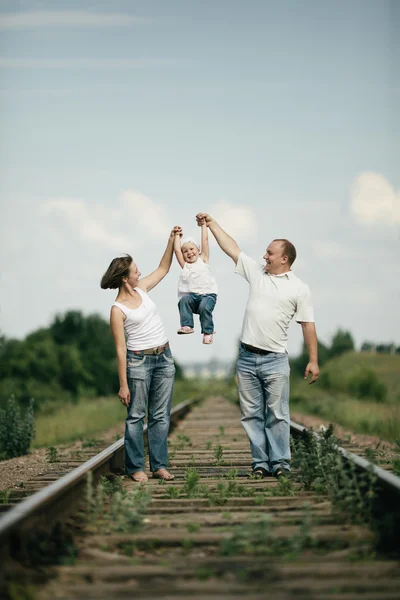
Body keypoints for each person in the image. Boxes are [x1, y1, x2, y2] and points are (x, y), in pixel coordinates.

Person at [196, 213, 319, 479]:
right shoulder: (257, 273)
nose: (265, 256)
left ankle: (281, 463)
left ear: (284, 258)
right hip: (247, 357)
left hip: (275, 359)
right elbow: (232, 249)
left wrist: (313, 360)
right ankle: (261, 463)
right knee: (251, 414)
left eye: (270, 252)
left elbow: (307, 325)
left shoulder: (299, 288)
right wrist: (212, 223)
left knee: (277, 413)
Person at [100, 225, 182, 483]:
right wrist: (123, 385)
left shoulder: (143, 289)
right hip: (138, 362)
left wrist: (171, 240)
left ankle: (159, 466)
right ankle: (135, 468)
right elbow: (120, 349)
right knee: (136, 417)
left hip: (164, 358)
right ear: (125, 277)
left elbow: (163, 268)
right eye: (136, 270)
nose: (141, 272)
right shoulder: (117, 310)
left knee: (160, 416)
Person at [173, 219, 218, 344]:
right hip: (193, 298)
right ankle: (187, 326)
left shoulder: (203, 259)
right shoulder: (185, 265)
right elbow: (176, 250)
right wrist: (177, 236)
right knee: (184, 300)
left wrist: (203, 225)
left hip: (208, 296)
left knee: (204, 307)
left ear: (197, 250)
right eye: (185, 251)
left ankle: (208, 332)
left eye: (192, 249)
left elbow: (205, 241)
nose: (189, 252)